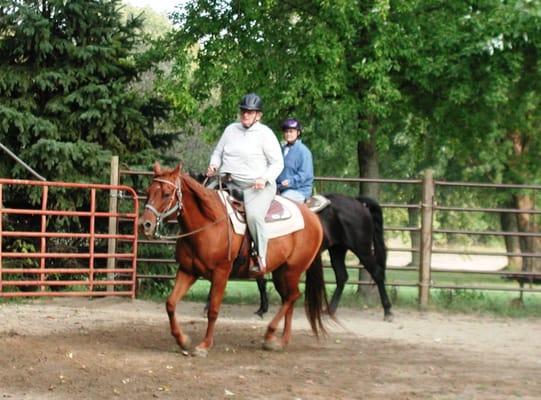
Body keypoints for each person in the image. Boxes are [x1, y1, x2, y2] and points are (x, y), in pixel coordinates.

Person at [206, 93, 284, 273]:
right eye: (243, 111)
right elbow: (218, 152)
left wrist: (264, 178)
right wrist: (214, 165)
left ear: (258, 115)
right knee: (199, 200)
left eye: (250, 112)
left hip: (255, 187)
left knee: (254, 216)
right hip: (227, 182)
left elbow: (278, 163)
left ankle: (261, 257)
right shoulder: (231, 130)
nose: (245, 115)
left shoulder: (266, 134)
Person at [276, 118, 314, 203]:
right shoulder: (282, 149)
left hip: (299, 191)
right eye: (286, 131)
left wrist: (290, 182)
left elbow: (304, 175)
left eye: (291, 131)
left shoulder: (304, 151)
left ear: (298, 133)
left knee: (281, 201)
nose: (288, 134)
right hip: (281, 188)